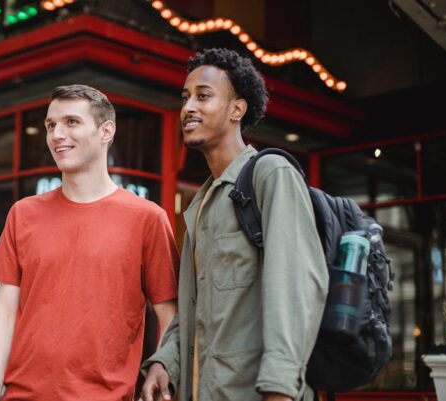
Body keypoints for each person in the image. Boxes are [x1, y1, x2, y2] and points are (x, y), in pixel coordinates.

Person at [139, 48, 329, 401]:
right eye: (185, 97)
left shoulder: (272, 175)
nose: (188, 108)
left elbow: (294, 289)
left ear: (236, 110)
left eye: (203, 96)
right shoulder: (202, 205)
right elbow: (194, 311)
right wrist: (165, 364)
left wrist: (280, 389)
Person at [0, 84, 179, 401]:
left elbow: (170, 317)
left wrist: (162, 369)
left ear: (106, 131)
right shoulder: (23, 214)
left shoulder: (148, 219)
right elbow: (4, 315)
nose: (57, 134)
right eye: (51, 125)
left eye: (71, 122)